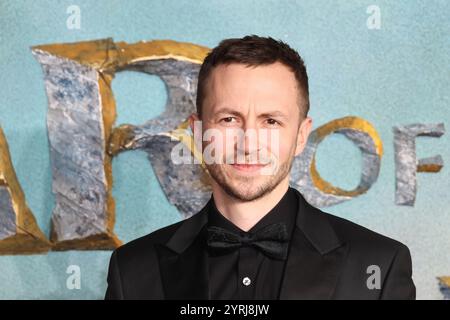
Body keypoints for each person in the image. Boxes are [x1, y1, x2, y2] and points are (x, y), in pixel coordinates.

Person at [105, 35, 415, 300]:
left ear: (301, 136)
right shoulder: (131, 271)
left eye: (271, 121)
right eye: (229, 119)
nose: (248, 144)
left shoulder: (379, 266)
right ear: (198, 133)